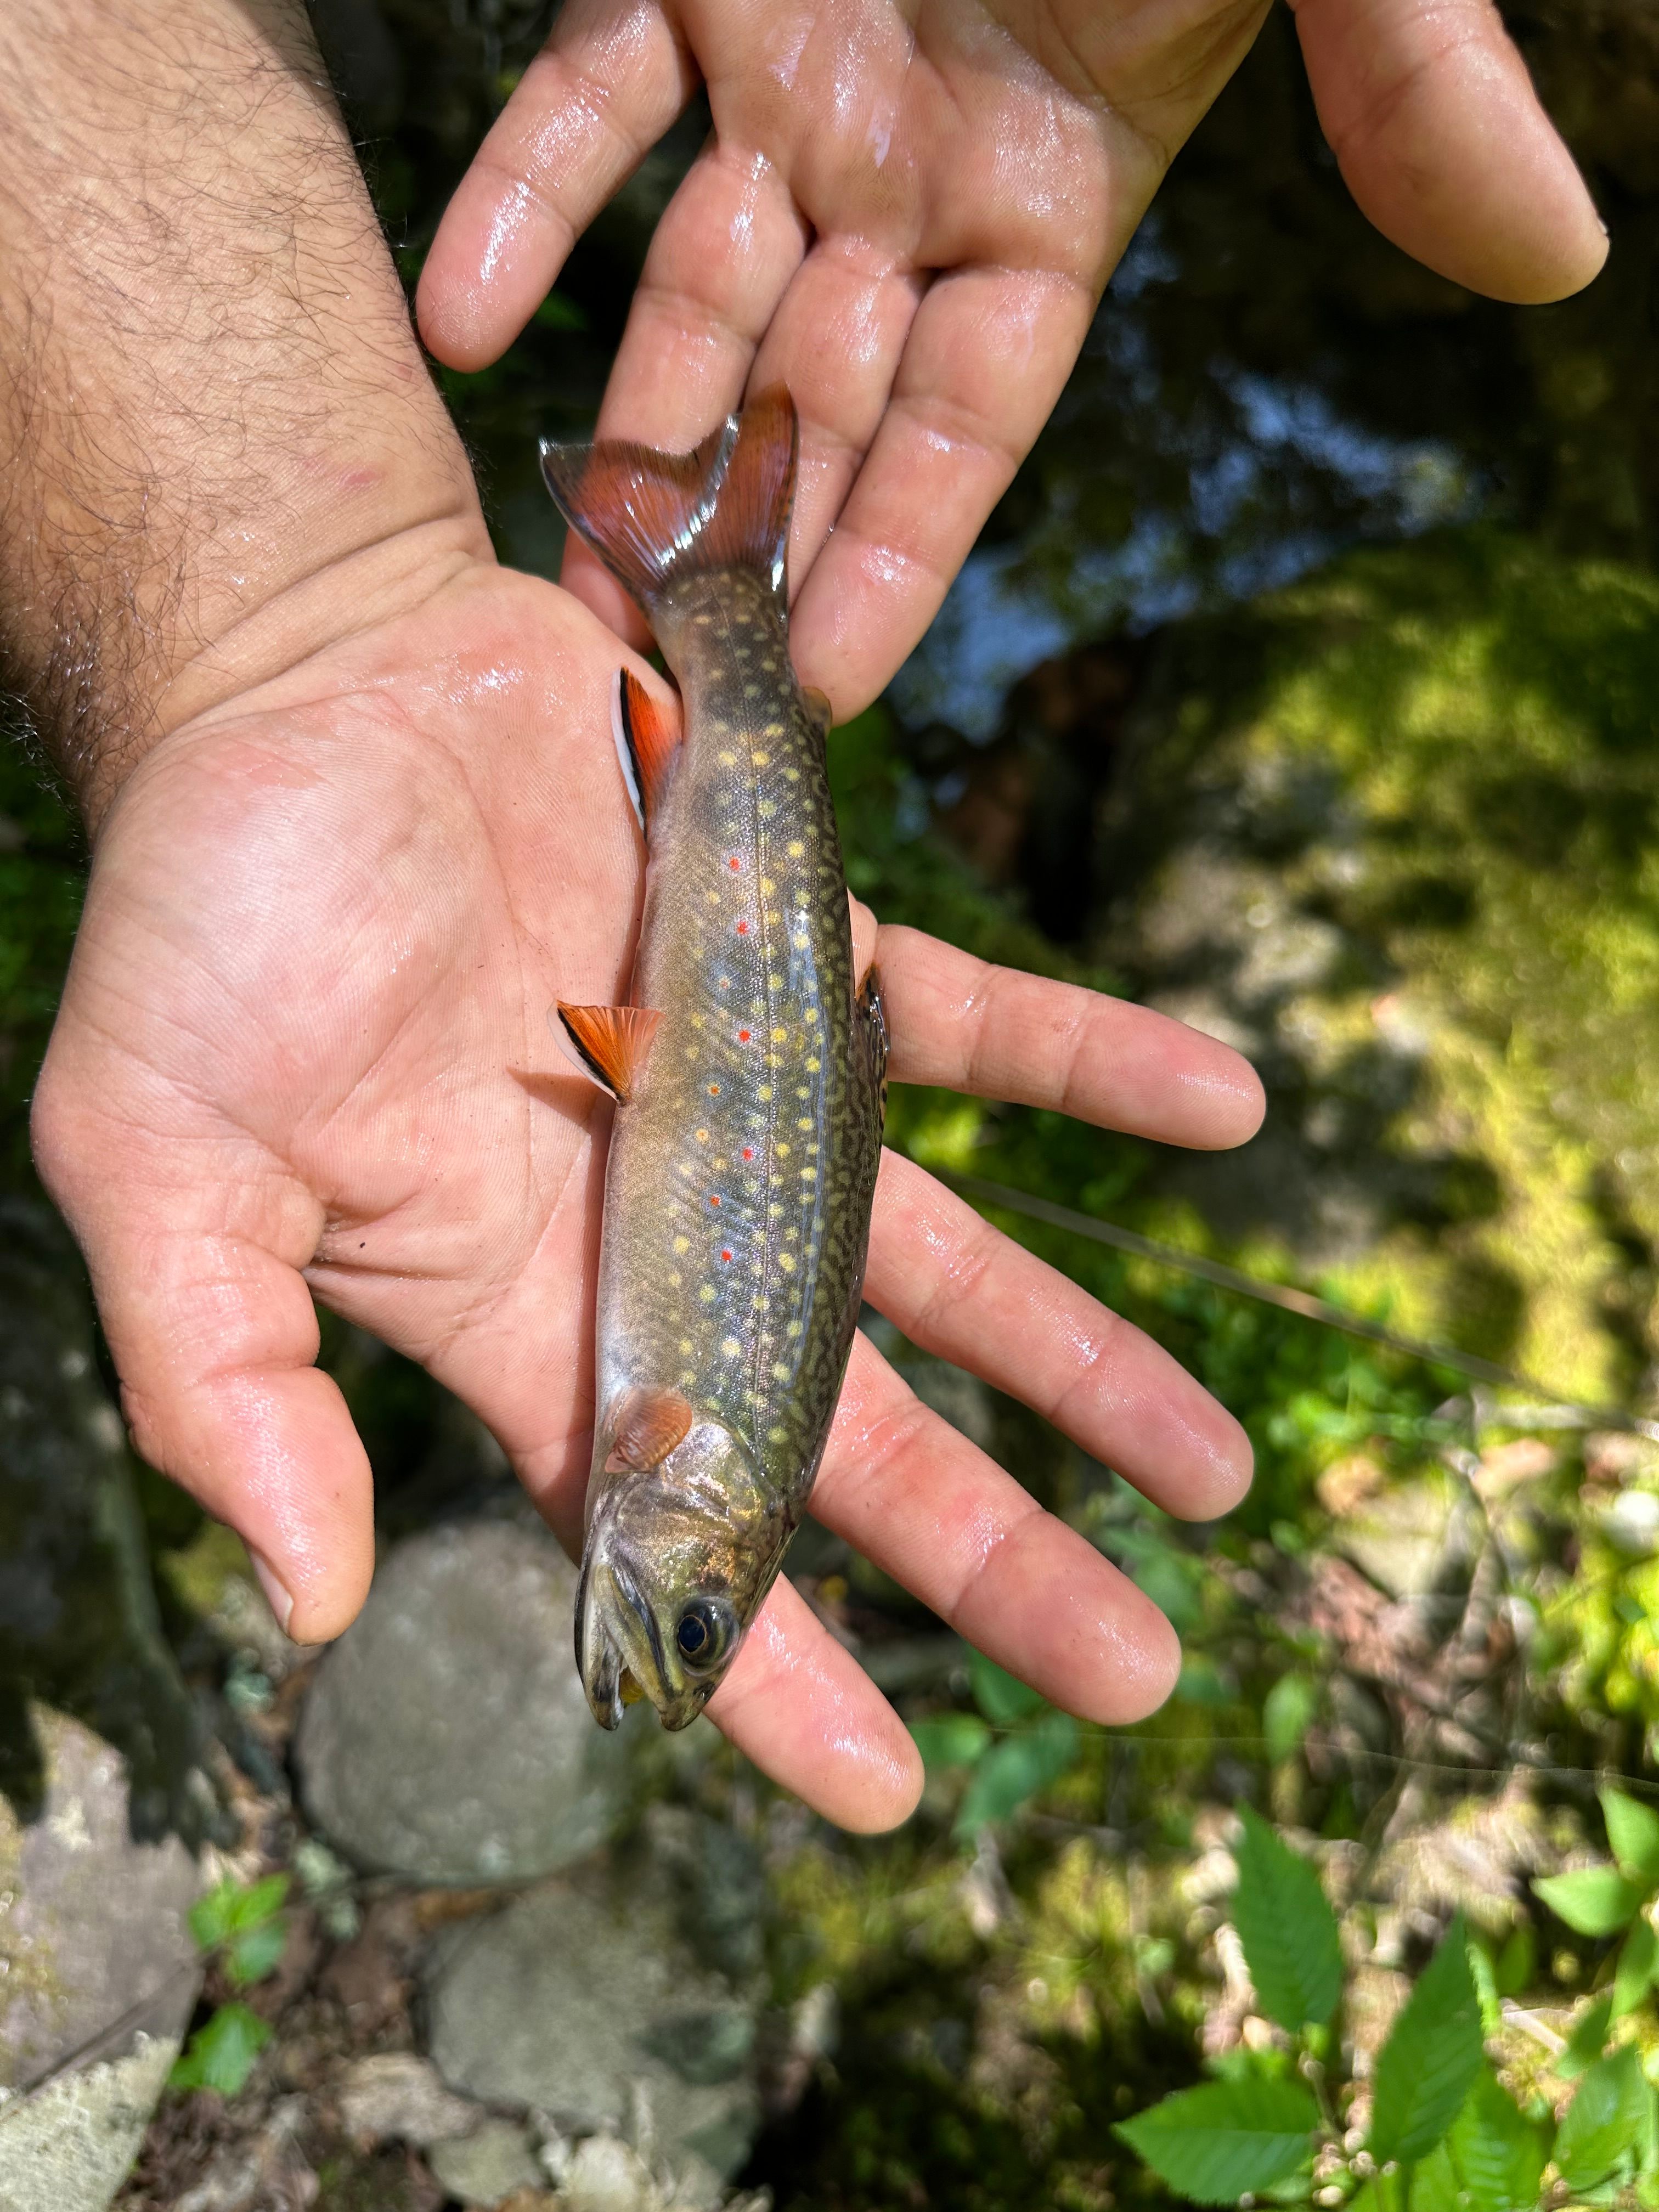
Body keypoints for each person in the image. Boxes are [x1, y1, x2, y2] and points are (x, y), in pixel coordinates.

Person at [1, 0, 1603, 1831]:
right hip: (735, 1019)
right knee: (736, 770)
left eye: (684, 1635)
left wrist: (254, 618)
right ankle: (719, 596)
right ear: (703, 1509)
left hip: (710, 1035)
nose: (652, 1644)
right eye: (692, 1617)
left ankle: (708, 597)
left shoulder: (677, 1439)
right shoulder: (696, 1434)